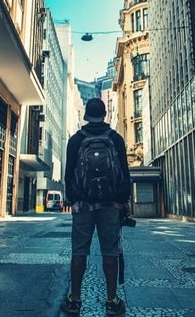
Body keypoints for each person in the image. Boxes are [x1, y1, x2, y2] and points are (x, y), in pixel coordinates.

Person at [60, 98, 131, 316]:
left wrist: (72, 198)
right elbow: (125, 172)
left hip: (82, 204)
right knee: (110, 251)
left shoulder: (75, 140)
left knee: (79, 251)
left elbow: (69, 172)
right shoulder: (116, 139)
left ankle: (75, 300)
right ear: (105, 113)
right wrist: (124, 200)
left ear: (85, 115)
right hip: (110, 204)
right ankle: (111, 301)